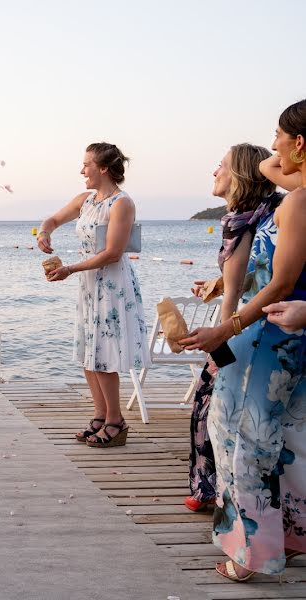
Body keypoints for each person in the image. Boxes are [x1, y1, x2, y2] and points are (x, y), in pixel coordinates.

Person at [180, 101, 306, 583]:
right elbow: (270, 167)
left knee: (239, 440)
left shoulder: (296, 202)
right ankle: (292, 538)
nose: (270, 149)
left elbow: (279, 284)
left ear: (300, 142)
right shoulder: (299, 195)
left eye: (279, 136)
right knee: (289, 439)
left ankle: (250, 555)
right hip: (285, 339)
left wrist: (224, 329)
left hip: (263, 337)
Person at [185, 144, 281, 512]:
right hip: (258, 325)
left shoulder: (240, 219)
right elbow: (255, 272)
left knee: (210, 409)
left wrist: (221, 340)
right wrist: (219, 280)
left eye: (220, 165)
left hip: (245, 329)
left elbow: (242, 288)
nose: (214, 172)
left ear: (239, 175)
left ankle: (213, 492)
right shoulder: (266, 213)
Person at [39, 142, 149, 448]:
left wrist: (70, 269)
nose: (82, 170)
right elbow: (53, 220)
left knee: (105, 354)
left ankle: (116, 421)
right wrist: (45, 233)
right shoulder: (85, 200)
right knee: (88, 350)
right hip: (88, 284)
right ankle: (100, 416)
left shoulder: (122, 204)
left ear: (103, 168)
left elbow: (113, 253)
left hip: (111, 285)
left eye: (87, 164)